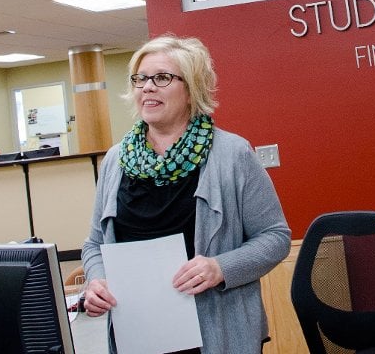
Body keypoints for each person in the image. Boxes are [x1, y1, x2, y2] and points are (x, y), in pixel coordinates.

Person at [79, 35, 291, 353]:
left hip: (216, 333)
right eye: (140, 78)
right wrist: (96, 281)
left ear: (191, 89)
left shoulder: (232, 154)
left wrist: (221, 267)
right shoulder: (115, 160)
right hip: (137, 333)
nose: (147, 87)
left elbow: (275, 237)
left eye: (162, 78)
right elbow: (95, 244)